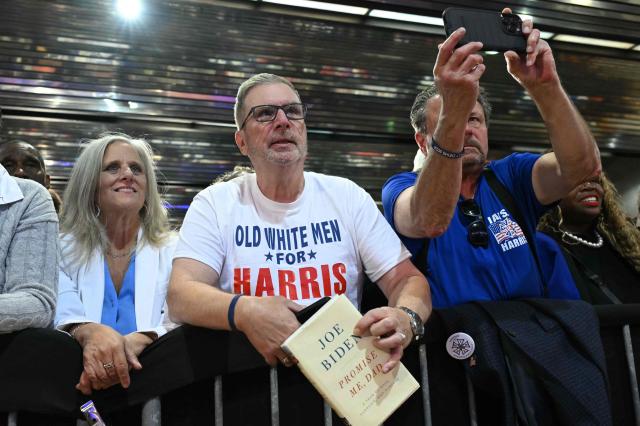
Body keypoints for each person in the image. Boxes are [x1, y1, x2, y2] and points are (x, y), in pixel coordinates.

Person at [168, 73, 431, 374]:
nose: (283, 121)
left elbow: (407, 280)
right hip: (250, 388)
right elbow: (181, 295)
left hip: (344, 386)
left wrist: (405, 318)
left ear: (304, 128)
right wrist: (244, 310)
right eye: (264, 113)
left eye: (292, 111)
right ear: (242, 141)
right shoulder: (216, 203)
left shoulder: (346, 196)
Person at [382, 9, 601, 308]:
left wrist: (545, 87)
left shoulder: (510, 176)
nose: (467, 130)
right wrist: (454, 113)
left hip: (531, 343)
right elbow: (429, 220)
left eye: (474, 119)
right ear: (422, 142)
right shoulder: (400, 188)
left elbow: (582, 168)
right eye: (454, 120)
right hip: (459, 347)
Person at [55, 133, 177, 397]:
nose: (127, 174)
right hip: (79, 390)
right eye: (112, 167)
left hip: (158, 391)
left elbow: (181, 317)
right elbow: (59, 313)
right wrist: (87, 331)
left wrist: (145, 337)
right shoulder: (60, 248)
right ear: (90, 185)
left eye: (136, 169)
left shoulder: (176, 249)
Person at [538, 173, 640, 303]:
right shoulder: (541, 247)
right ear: (549, 192)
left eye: (594, 180)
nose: (589, 186)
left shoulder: (621, 240)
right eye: (574, 180)